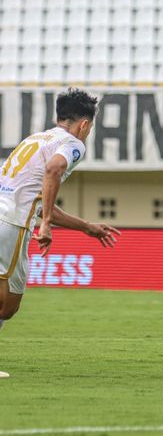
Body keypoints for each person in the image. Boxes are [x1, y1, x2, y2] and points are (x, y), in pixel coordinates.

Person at [0, 88, 121, 378]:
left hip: (5, 212)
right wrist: (45, 226)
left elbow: (39, 203)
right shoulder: (72, 144)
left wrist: (87, 228)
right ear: (85, 125)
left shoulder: (36, 138)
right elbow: (54, 171)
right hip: (12, 223)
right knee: (8, 305)